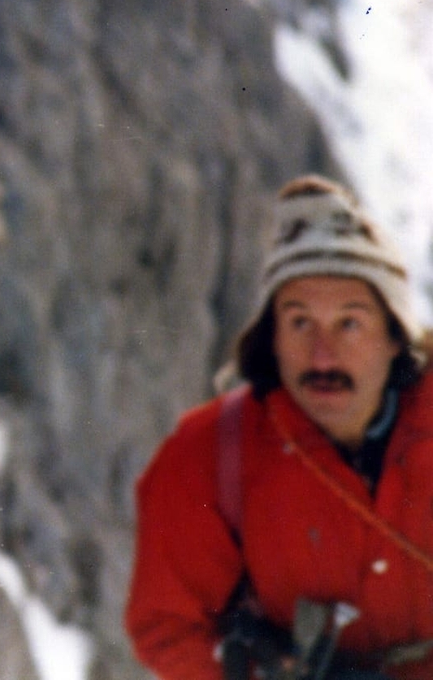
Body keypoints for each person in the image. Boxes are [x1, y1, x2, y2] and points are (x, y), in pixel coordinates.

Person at [125, 175, 433, 679]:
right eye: (298, 323)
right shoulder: (208, 456)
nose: (323, 354)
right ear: (272, 338)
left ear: (395, 337)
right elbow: (167, 624)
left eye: (349, 323)